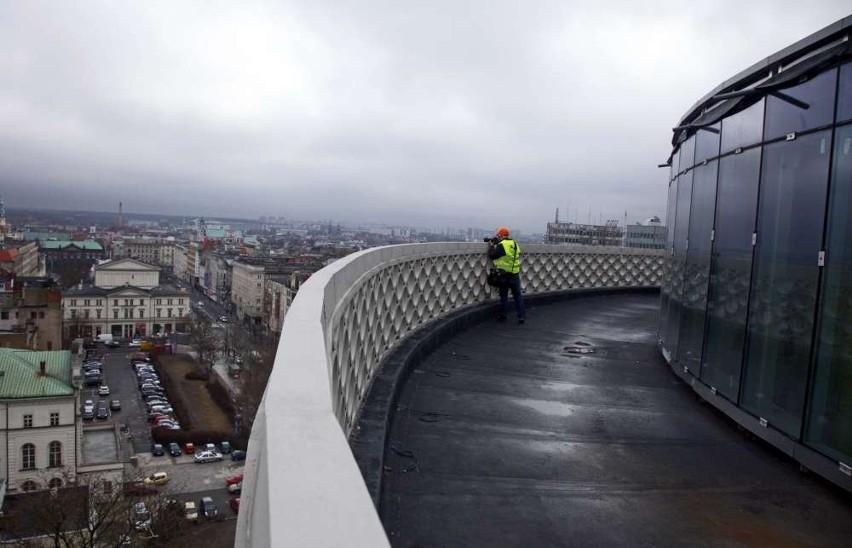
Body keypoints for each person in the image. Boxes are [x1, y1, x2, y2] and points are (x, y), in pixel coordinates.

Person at [487, 226, 526, 324]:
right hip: (515, 274)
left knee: (504, 295)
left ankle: (503, 316)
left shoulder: (502, 245)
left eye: (498, 235)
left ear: (500, 235)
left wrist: (491, 246)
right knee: (517, 296)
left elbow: (492, 255)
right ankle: (521, 316)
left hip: (504, 274)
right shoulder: (515, 244)